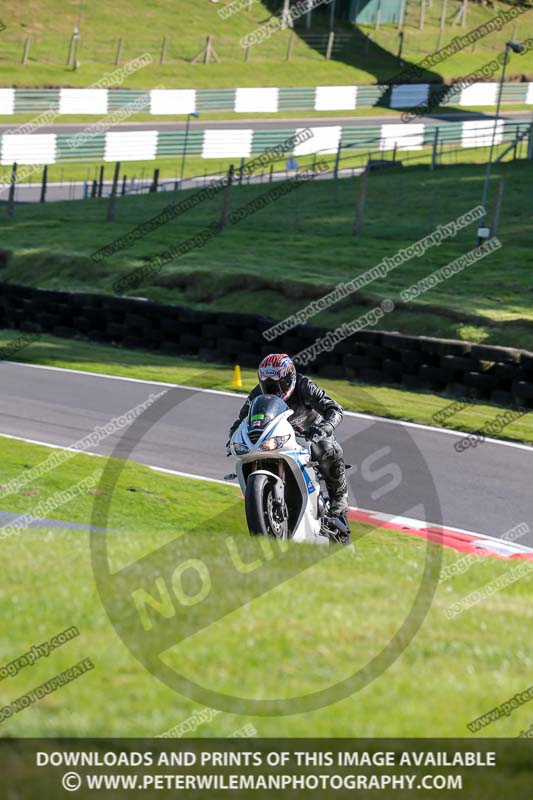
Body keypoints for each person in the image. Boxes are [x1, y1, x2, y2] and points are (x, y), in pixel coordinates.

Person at [227, 353, 349, 523]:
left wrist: (324, 428)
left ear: (289, 379)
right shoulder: (256, 394)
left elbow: (335, 409)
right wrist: (232, 439)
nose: (273, 391)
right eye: (267, 386)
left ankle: (339, 499)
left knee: (326, 450)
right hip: (279, 434)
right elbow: (241, 420)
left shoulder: (304, 386)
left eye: (277, 385)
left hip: (311, 432)